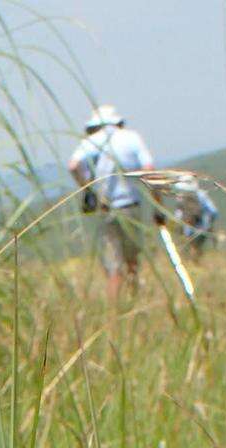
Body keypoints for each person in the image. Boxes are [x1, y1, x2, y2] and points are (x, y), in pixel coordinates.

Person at [68, 105, 154, 302]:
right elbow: (149, 169)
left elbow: (73, 165)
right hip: (130, 205)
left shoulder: (90, 142)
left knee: (113, 266)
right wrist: (157, 202)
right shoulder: (131, 138)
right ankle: (135, 301)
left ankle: (113, 315)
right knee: (132, 260)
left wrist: (87, 187)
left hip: (105, 209)